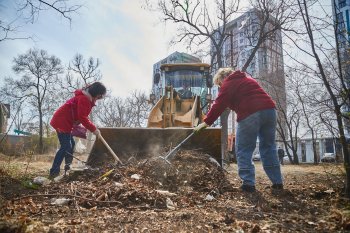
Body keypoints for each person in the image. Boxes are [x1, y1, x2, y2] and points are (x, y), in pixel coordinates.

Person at [194, 68, 283, 192]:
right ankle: (277, 182)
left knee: (243, 148)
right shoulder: (247, 79)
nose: (220, 87)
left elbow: (218, 104)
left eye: (219, 84)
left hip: (250, 112)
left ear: (222, 79)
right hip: (270, 111)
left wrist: (206, 122)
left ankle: (248, 184)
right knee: (269, 147)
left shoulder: (228, 83)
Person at [49, 82, 106, 178]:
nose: (99, 98)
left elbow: (78, 115)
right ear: (96, 92)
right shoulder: (84, 99)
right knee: (65, 147)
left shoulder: (87, 99)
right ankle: (54, 172)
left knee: (71, 145)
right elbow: (83, 117)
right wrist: (94, 129)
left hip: (66, 122)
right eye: (99, 95)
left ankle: (68, 167)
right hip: (62, 121)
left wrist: (77, 124)